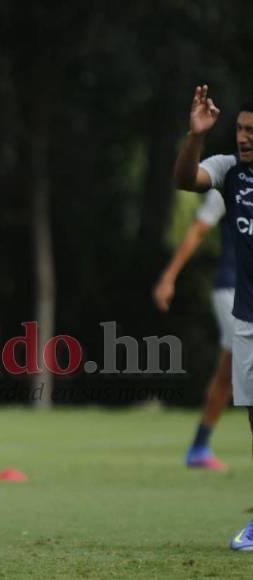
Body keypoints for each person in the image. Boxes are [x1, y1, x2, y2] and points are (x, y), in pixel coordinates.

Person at [173, 84, 253, 550]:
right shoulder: (229, 171)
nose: (244, 138)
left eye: (252, 132)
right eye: (241, 129)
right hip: (246, 316)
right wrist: (197, 137)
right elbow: (185, 179)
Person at [153, 188, 233, 470]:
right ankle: (199, 447)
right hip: (234, 290)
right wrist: (169, 276)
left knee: (228, 371)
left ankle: (199, 447)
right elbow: (199, 229)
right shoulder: (228, 180)